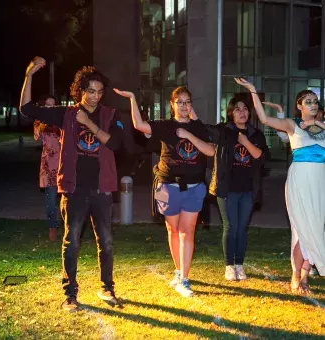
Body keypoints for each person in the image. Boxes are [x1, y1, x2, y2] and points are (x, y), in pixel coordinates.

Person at [20, 57, 124, 310]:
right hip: (74, 188)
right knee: (72, 240)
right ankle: (70, 294)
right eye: (90, 91)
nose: (95, 97)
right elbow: (27, 109)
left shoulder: (110, 115)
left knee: (106, 241)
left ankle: (107, 288)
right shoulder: (66, 114)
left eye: (99, 92)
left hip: (101, 187)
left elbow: (116, 144)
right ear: (80, 91)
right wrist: (29, 76)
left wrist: (89, 123)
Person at [114, 86, 215, 297]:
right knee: (173, 230)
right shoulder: (164, 126)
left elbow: (210, 151)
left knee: (188, 230)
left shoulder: (197, 127)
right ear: (172, 105)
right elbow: (139, 125)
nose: (184, 106)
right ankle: (179, 272)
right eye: (180, 102)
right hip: (166, 185)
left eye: (188, 102)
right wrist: (133, 97)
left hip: (194, 187)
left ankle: (184, 279)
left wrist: (188, 135)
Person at [235, 78, 325, 294]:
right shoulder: (292, 125)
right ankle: (296, 278)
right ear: (299, 106)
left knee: (316, 228)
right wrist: (253, 92)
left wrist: (320, 124)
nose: (313, 105)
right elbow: (265, 119)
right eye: (309, 101)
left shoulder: (323, 126)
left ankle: (305, 277)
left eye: (315, 102)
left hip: (319, 182)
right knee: (301, 230)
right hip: (300, 181)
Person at [203, 97, 267, 281]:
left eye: (245, 108)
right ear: (231, 112)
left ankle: (239, 264)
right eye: (237, 109)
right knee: (230, 227)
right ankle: (229, 265)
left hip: (248, 188)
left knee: (241, 228)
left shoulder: (256, 134)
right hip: (227, 188)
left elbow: (260, 157)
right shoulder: (223, 131)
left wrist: (245, 141)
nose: (242, 112)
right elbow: (202, 129)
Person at [33, 95, 60, 241]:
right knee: (50, 200)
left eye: (53, 104)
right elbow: (37, 136)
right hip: (48, 166)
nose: (50, 106)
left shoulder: (62, 120)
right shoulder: (39, 121)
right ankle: (52, 227)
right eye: (47, 104)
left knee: (68, 199)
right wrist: (44, 121)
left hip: (63, 164)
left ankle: (70, 225)